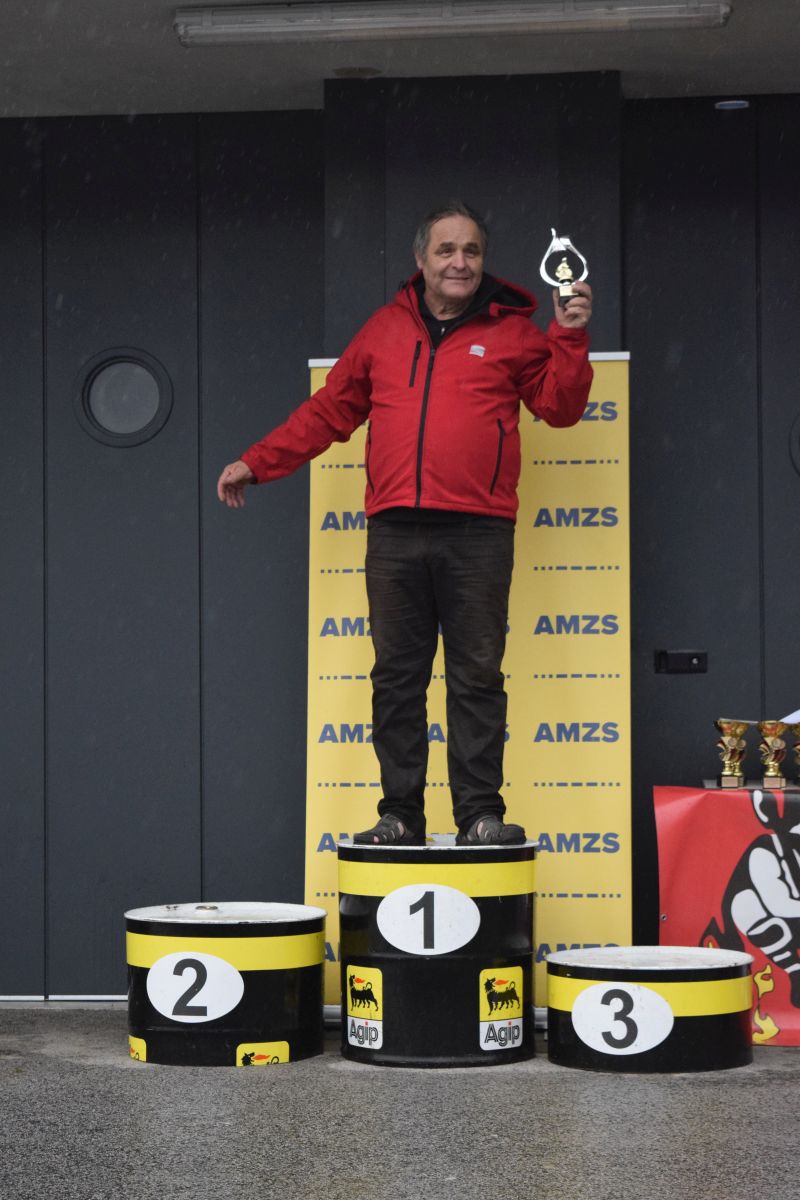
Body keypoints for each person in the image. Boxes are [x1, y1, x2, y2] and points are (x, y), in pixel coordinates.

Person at [217, 200, 593, 847]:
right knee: (396, 679)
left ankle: (480, 816)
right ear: (421, 259)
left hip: (478, 533)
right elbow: (329, 411)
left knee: (477, 678)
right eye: (446, 250)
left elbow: (559, 408)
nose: (460, 262)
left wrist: (570, 334)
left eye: (471, 251)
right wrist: (259, 461)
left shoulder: (515, 333)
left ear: (484, 262)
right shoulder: (384, 331)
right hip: (395, 533)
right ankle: (400, 816)